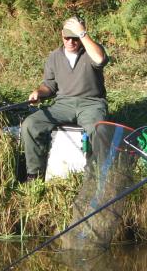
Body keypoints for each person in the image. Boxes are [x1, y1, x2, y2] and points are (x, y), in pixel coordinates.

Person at [21, 16, 109, 181]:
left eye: (75, 37)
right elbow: (49, 86)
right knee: (30, 124)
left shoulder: (91, 50)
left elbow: (100, 59)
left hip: (92, 104)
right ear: (61, 35)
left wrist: (82, 34)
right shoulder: (54, 56)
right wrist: (38, 92)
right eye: (67, 37)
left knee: (97, 130)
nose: (70, 41)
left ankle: (93, 176)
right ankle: (34, 174)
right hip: (63, 105)